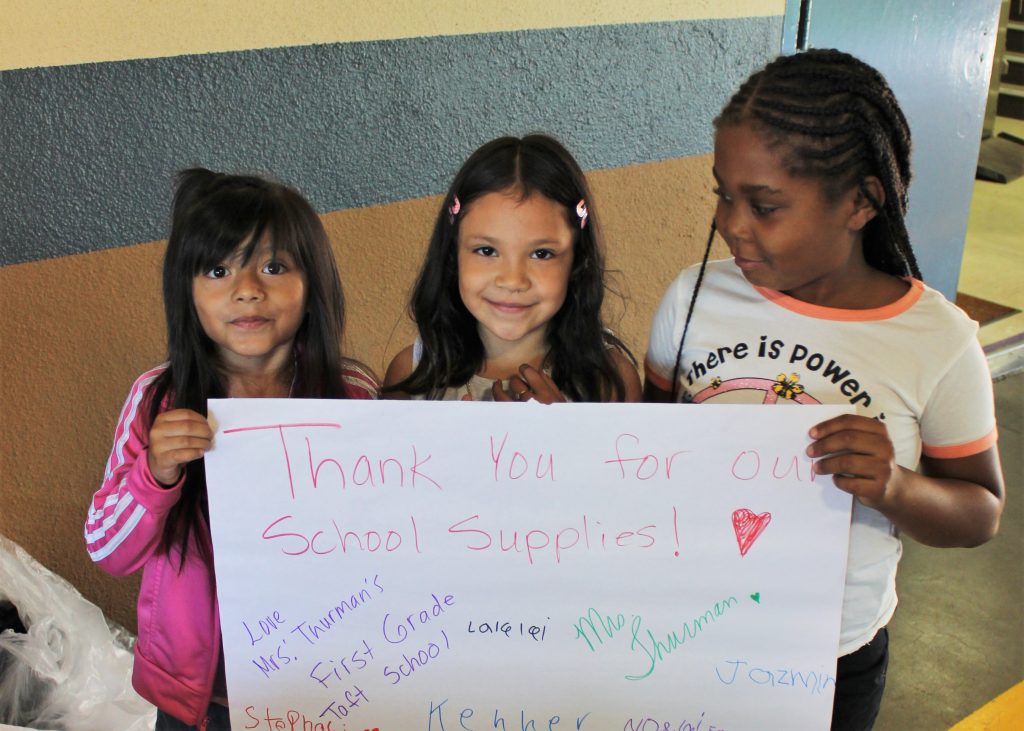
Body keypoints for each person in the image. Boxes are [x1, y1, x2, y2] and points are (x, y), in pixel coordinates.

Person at [644, 49, 1004, 731]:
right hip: (687, 627)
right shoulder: (692, 297)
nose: (732, 222)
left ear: (862, 201)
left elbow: (980, 510)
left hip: (829, 659)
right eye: (722, 192)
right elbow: (646, 442)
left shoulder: (935, 339)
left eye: (765, 205)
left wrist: (895, 486)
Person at [84, 169, 377, 730]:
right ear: (186, 291)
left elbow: (395, 533)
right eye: (218, 270)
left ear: (312, 284)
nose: (248, 289)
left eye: (273, 266)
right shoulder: (158, 399)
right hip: (203, 702)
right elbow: (106, 548)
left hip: (328, 682)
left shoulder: (352, 395)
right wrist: (156, 474)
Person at [384, 134, 641, 403]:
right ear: (452, 253)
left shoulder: (610, 383)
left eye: (541, 253)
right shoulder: (411, 375)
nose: (513, 280)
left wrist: (563, 431)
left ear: (578, 259)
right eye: (487, 250)